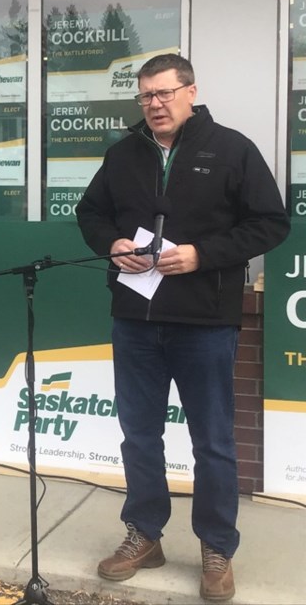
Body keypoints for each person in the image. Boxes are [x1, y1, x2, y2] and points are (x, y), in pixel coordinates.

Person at [75, 54, 290, 603]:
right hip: (136, 320)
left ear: (191, 91)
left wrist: (203, 255)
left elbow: (271, 223)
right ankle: (145, 534)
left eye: (165, 93)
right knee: (139, 436)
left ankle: (217, 548)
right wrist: (112, 245)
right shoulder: (122, 154)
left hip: (204, 322)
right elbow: (90, 213)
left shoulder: (231, 148)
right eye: (145, 95)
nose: (154, 104)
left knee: (213, 443)